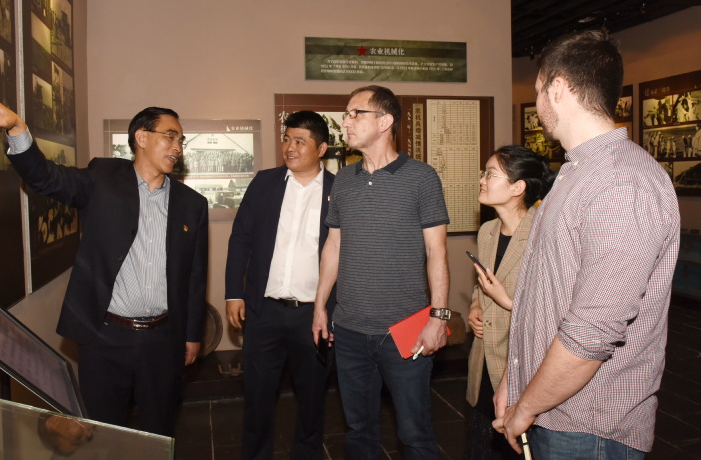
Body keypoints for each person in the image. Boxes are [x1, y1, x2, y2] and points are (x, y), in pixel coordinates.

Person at [0, 99, 209, 437]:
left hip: (163, 341)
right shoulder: (103, 179)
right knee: (104, 433)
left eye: (181, 140)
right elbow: (45, 178)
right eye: (170, 136)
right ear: (141, 137)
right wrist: (17, 128)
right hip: (106, 337)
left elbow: (195, 276)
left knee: (160, 431)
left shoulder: (192, 204)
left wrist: (192, 335)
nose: (177, 147)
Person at [493, 30, 680, 459]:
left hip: (587, 427)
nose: (538, 103)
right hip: (552, 407)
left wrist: (526, 406)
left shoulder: (621, 183)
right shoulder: (579, 171)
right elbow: (545, 296)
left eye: (538, 90)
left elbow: (591, 331)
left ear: (557, 88)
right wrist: (513, 382)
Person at [312, 85, 450, 459]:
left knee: (415, 434)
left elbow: (437, 251)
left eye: (355, 113)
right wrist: (320, 305)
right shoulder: (343, 179)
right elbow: (333, 246)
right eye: (346, 114)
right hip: (350, 330)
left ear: (385, 121)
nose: (346, 122)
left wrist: (438, 317)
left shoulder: (421, 177)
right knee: (358, 431)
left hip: (406, 329)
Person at [225, 110, 335, 460]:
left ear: (321, 149)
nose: (290, 147)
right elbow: (240, 238)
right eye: (287, 139)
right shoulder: (265, 182)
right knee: (257, 398)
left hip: (315, 317)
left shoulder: (339, 190)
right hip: (264, 312)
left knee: (312, 398)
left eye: (300, 141)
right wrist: (234, 293)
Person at [465, 145, 554, 460]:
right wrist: (476, 307)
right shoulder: (487, 230)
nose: (482, 180)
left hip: (521, 366)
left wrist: (505, 300)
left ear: (518, 188)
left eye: (490, 174)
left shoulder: (544, 234)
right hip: (484, 362)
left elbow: (553, 309)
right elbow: (483, 286)